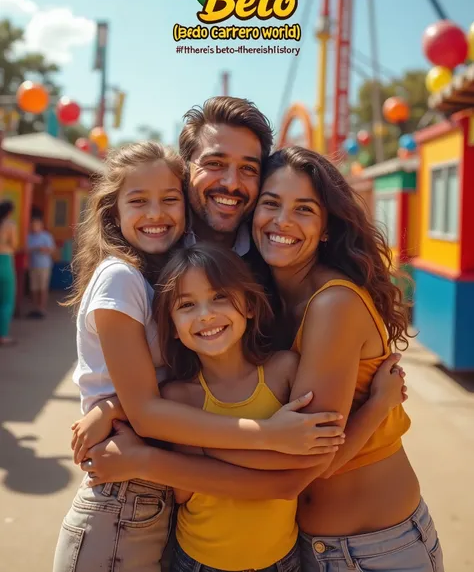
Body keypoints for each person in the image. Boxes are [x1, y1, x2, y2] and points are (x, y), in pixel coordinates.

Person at [53, 141, 341, 572]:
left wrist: (113, 406)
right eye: (138, 201)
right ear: (113, 213)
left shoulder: (158, 280)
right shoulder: (120, 279)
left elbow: (144, 388)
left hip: (157, 489)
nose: (155, 213)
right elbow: (147, 409)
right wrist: (268, 433)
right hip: (124, 493)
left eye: (169, 199)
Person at [248, 146, 444, 572]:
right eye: (271, 203)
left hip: (378, 550)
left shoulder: (332, 303)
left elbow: (314, 462)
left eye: (304, 209)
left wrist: (377, 407)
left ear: (324, 228)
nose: (282, 221)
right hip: (310, 547)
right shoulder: (265, 298)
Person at [27, 209, 55, 318]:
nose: (34, 226)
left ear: (41, 225)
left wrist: (43, 249)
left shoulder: (46, 236)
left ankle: (41, 308)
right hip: (33, 265)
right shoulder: (29, 236)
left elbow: (52, 249)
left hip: (44, 266)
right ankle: (35, 308)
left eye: (36, 224)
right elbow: (26, 249)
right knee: (33, 288)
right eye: (33, 224)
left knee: (43, 288)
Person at [0, 200, 18, 346]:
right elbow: (14, 244)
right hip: (5, 261)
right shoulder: (10, 225)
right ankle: (3, 335)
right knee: (6, 300)